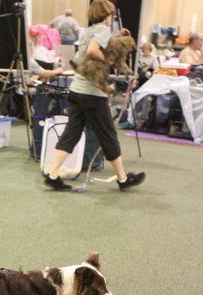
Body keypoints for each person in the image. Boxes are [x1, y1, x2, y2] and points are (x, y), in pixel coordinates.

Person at [44, 0, 145, 192]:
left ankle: (52, 174)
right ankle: (123, 179)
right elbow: (93, 50)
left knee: (71, 134)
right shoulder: (102, 30)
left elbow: (93, 45)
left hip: (77, 90)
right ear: (107, 14)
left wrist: (117, 36)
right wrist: (108, 61)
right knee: (108, 135)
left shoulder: (90, 30)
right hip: (92, 94)